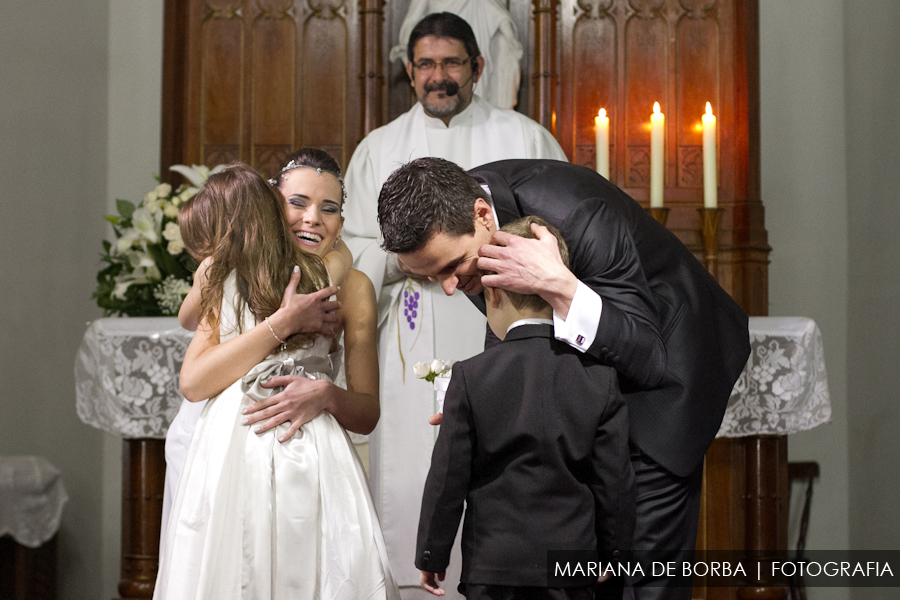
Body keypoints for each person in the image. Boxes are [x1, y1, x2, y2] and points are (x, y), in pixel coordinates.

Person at [377, 158, 752, 599]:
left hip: (667, 382)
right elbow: (515, 323)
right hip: (591, 404)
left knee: (644, 582)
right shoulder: (459, 216)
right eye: (429, 277)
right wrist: (487, 402)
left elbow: (648, 356)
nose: (448, 287)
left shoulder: (579, 213)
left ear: (481, 214)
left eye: (451, 267)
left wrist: (561, 286)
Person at [342, 13, 567, 593]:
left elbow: (558, 236)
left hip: (507, 325)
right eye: (425, 64)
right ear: (408, 71)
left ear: (478, 68)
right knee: (417, 464)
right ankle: (417, 574)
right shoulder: (378, 147)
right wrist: (415, 258)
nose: (438, 76)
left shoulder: (524, 137)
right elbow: (351, 250)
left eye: (451, 63)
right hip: (411, 327)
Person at [154, 164, 398, 599]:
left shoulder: (349, 283)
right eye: (298, 203)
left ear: (342, 223)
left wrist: (326, 394)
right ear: (271, 205)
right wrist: (283, 322)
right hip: (227, 444)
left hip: (312, 451)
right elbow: (192, 372)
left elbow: (367, 413)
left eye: (329, 209)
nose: (312, 218)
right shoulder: (228, 271)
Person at [415, 217, 635, 600]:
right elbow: (614, 481)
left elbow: (448, 477)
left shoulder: (471, 376)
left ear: (494, 295)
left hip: (494, 564)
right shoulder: (599, 379)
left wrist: (432, 553)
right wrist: (613, 554)